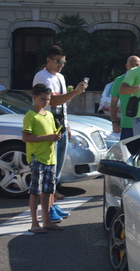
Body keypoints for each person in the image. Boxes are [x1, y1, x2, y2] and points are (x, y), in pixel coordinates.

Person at [33, 45, 88, 202]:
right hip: (47, 126)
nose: (61, 65)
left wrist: (67, 125)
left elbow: (62, 104)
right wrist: (75, 92)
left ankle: (52, 193)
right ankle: (45, 197)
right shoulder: (42, 76)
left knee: (58, 164)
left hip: (60, 124)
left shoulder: (60, 77)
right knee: (49, 165)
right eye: (58, 61)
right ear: (48, 60)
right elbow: (52, 100)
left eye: (63, 62)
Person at [22, 84, 64, 233]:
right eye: (42, 99)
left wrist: (56, 135)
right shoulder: (30, 115)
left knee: (48, 192)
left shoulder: (50, 115)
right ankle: (34, 223)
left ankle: (47, 221)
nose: (46, 102)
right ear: (34, 97)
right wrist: (49, 137)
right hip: (37, 158)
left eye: (48, 99)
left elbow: (52, 133)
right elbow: (26, 137)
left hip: (50, 158)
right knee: (35, 192)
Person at [110, 55, 140, 140]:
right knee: (126, 152)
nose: (134, 67)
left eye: (137, 65)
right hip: (127, 125)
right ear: (127, 66)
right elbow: (113, 104)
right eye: (131, 64)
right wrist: (115, 123)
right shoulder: (119, 81)